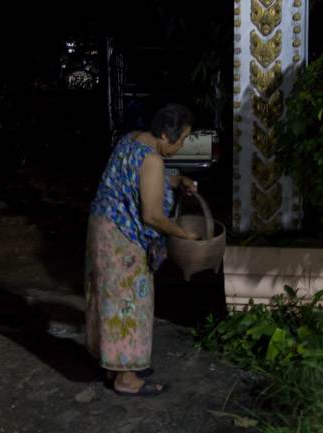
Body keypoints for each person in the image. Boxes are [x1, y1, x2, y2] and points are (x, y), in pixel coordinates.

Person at [84, 103, 198, 396]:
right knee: (131, 305)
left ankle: (116, 365)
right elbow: (152, 216)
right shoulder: (153, 161)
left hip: (103, 227)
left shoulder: (132, 139)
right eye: (181, 139)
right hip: (122, 238)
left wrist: (177, 181)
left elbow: (143, 178)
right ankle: (127, 379)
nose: (183, 144)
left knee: (110, 300)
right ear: (164, 134)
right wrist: (182, 233)